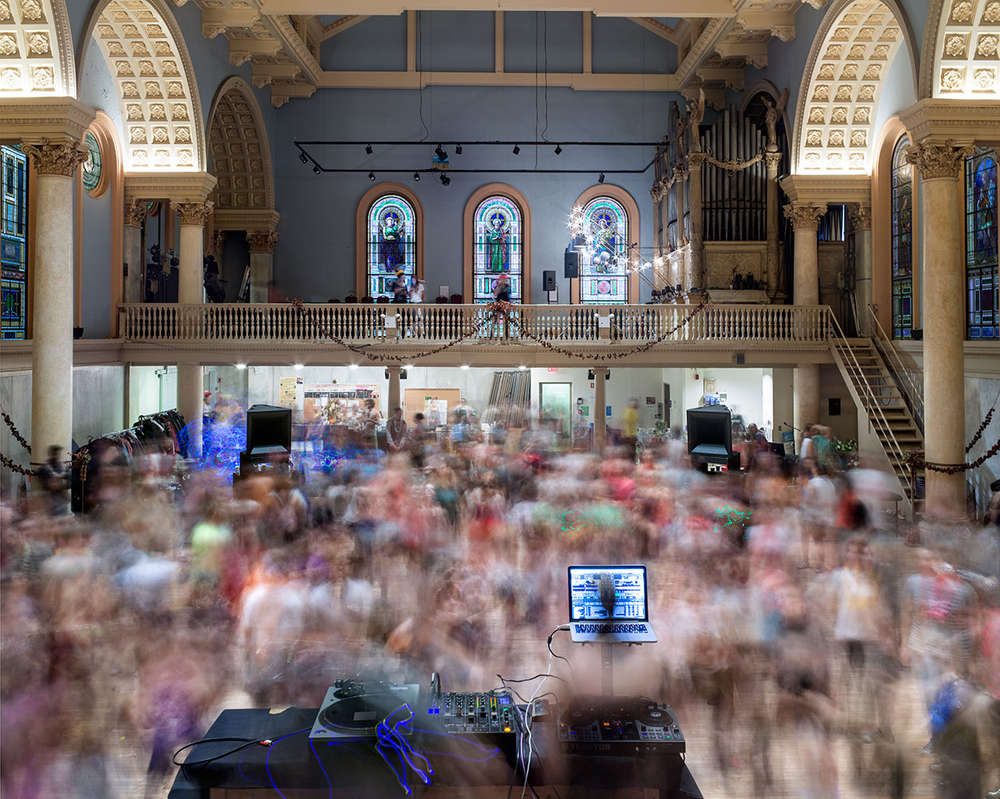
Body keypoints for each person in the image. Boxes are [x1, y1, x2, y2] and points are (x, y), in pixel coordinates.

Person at [36, 444, 70, 516]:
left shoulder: (62, 466)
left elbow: (70, 480)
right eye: (55, 453)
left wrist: (63, 485)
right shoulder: (44, 468)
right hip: (49, 502)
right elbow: (48, 485)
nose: (57, 455)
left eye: (58, 453)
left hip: (61, 500)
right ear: (50, 454)